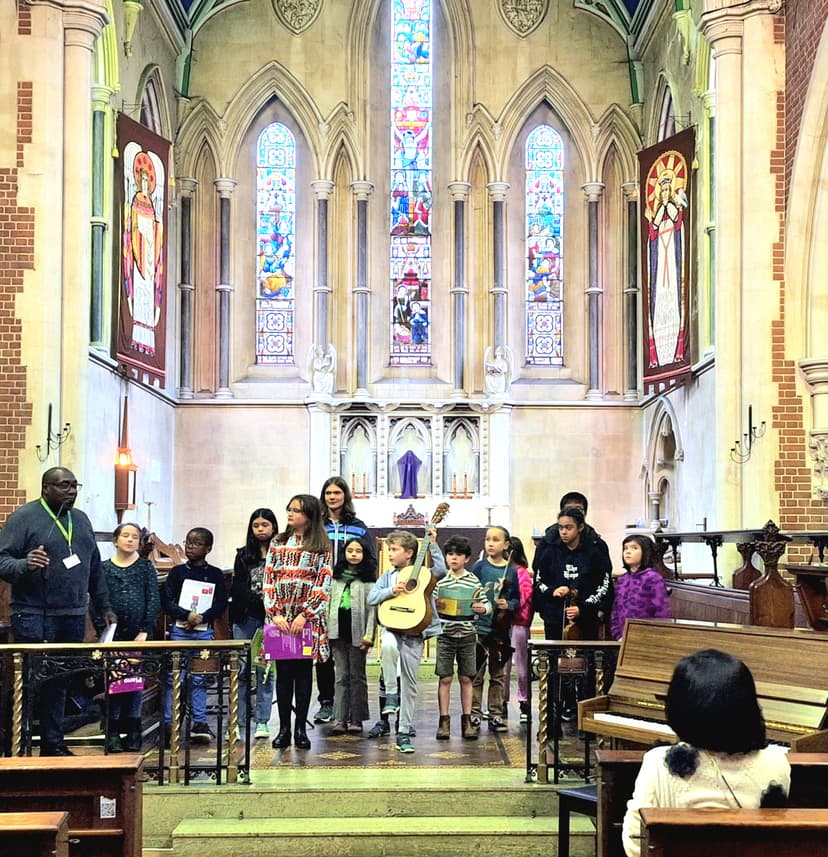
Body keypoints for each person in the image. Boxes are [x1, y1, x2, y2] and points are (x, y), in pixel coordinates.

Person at [622, 649, 790, 857]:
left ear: (680, 707)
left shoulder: (659, 762)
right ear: (748, 706)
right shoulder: (777, 761)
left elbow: (635, 843)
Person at [0, 467, 116, 756]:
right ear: (45, 488)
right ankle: (17, 743)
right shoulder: (24, 518)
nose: (71, 491)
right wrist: (25, 563)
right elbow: (2, 561)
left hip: (73, 614)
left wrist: (104, 607)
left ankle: (53, 743)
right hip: (33, 614)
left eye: (75, 485)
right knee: (30, 680)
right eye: (64, 486)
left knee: (61, 681)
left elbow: (94, 568)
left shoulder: (81, 519)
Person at [263, 494, 332, 750]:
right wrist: (276, 614)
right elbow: (269, 580)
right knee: (284, 676)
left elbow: (323, 583)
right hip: (281, 619)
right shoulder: (278, 542)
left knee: (303, 675)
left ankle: (301, 729)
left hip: (306, 621)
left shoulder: (322, 546)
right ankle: (283, 729)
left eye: (296, 510)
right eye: (288, 509)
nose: (290, 514)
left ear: (309, 515)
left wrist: (306, 614)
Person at [368, 528, 445, 753]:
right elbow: (372, 596)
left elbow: (440, 569)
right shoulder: (388, 576)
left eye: (394, 549)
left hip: (414, 632)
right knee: (389, 645)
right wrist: (391, 591)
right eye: (389, 549)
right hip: (392, 627)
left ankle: (403, 731)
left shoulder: (422, 574)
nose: (390, 554)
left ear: (409, 553)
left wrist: (433, 544)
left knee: (410, 684)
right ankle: (391, 693)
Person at [314, 476, 374, 725]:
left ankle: (355, 713)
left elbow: (368, 555)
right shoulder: (318, 525)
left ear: (345, 496)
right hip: (324, 588)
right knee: (325, 650)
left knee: (352, 664)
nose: (332, 497)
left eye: (337, 492)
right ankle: (327, 703)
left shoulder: (358, 526)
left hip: (352, 588)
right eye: (328, 493)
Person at [162, 527, 227, 745]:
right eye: (188, 542)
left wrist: (202, 617)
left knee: (199, 678)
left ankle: (199, 722)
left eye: (197, 543)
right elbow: (168, 600)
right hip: (180, 631)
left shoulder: (216, 574)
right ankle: (170, 722)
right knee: (174, 677)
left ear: (208, 548)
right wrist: (186, 615)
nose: (190, 546)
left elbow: (220, 603)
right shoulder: (177, 572)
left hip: (203, 631)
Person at [100, 522, 161, 752]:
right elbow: (98, 599)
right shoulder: (104, 568)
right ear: (116, 540)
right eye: (125, 535)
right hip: (112, 634)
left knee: (134, 682)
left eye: (134, 537)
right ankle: (113, 731)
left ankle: (133, 730)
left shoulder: (145, 568)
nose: (129, 540)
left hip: (138, 635)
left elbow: (153, 599)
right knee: (114, 681)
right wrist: (102, 629)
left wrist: (145, 629)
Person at [433, 535, 490, 740]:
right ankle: (444, 721)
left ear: (466, 558)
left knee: (467, 678)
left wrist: (483, 608)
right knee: (445, 677)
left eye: (458, 555)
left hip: (467, 635)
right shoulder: (441, 581)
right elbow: (431, 604)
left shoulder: (473, 580)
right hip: (445, 635)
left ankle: (467, 721)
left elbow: (486, 603)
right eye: (450, 554)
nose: (453, 558)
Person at [229, 508, 279, 740]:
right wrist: (259, 602)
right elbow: (238, 587)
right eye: (256, 525)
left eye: (265, 525)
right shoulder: (242, 555)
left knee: (265, 671)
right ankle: (238, 723)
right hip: (246, 616)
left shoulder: (282, 553)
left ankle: (262, 721)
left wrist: (271, 607)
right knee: (241, 670)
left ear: (273, 527)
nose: (260, 529)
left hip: (272, 619)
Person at [532, 507, 613, 640]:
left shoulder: (595, 550)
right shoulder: (549, 550)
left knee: (586, 656)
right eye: (560, 527)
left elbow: (603, 585)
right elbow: (539, 580)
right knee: (554, 656)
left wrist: (583, 608)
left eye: (569, 527)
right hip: (555, 615)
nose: (563, 532)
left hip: (586, 616)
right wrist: (552, 591)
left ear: (580, 527)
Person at [470, 526, 520, 732]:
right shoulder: (479, 568)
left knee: (498, 674)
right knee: (476, 673)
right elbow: (471, 592)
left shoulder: (512, 570)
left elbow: (517, 599)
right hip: (480, 627)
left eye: (496, 540)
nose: (490, 543)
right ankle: (473, 713)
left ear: (506, 544)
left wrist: (507, 605)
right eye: (488, 539)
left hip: (500, 629)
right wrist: (476, 606)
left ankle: (496, 714)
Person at [327, 536, 377, 735]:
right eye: (350, 551)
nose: (354, 554)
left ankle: (357, 717)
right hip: (337, 633)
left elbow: (373, 611)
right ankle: (340, 717)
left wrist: (369, 635)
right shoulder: (335, 579)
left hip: (359, 635)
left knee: (357, 676)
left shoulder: (368, 581)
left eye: (358, 551)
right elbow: (328, 606)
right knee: (341, 676)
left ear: (364, 554)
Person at [610, 534, 671, 641]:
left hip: (646, 637)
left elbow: (661, 611)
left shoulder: (653, 578)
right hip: (622, 636)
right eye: (625, 548)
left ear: (646, 552)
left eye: (634, 548)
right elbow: (616, 610)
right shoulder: (622, 580)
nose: (628, 552)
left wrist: (656, 636)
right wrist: (617, 633)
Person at [501, 535, 533, 722]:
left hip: (519, 622)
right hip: (501, 623)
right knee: (502, 666)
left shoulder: (522, 573)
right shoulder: (501, 570)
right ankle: (501, 702)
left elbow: (522, 598)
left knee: (521, 666)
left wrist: (508, 604)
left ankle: (524, 702)